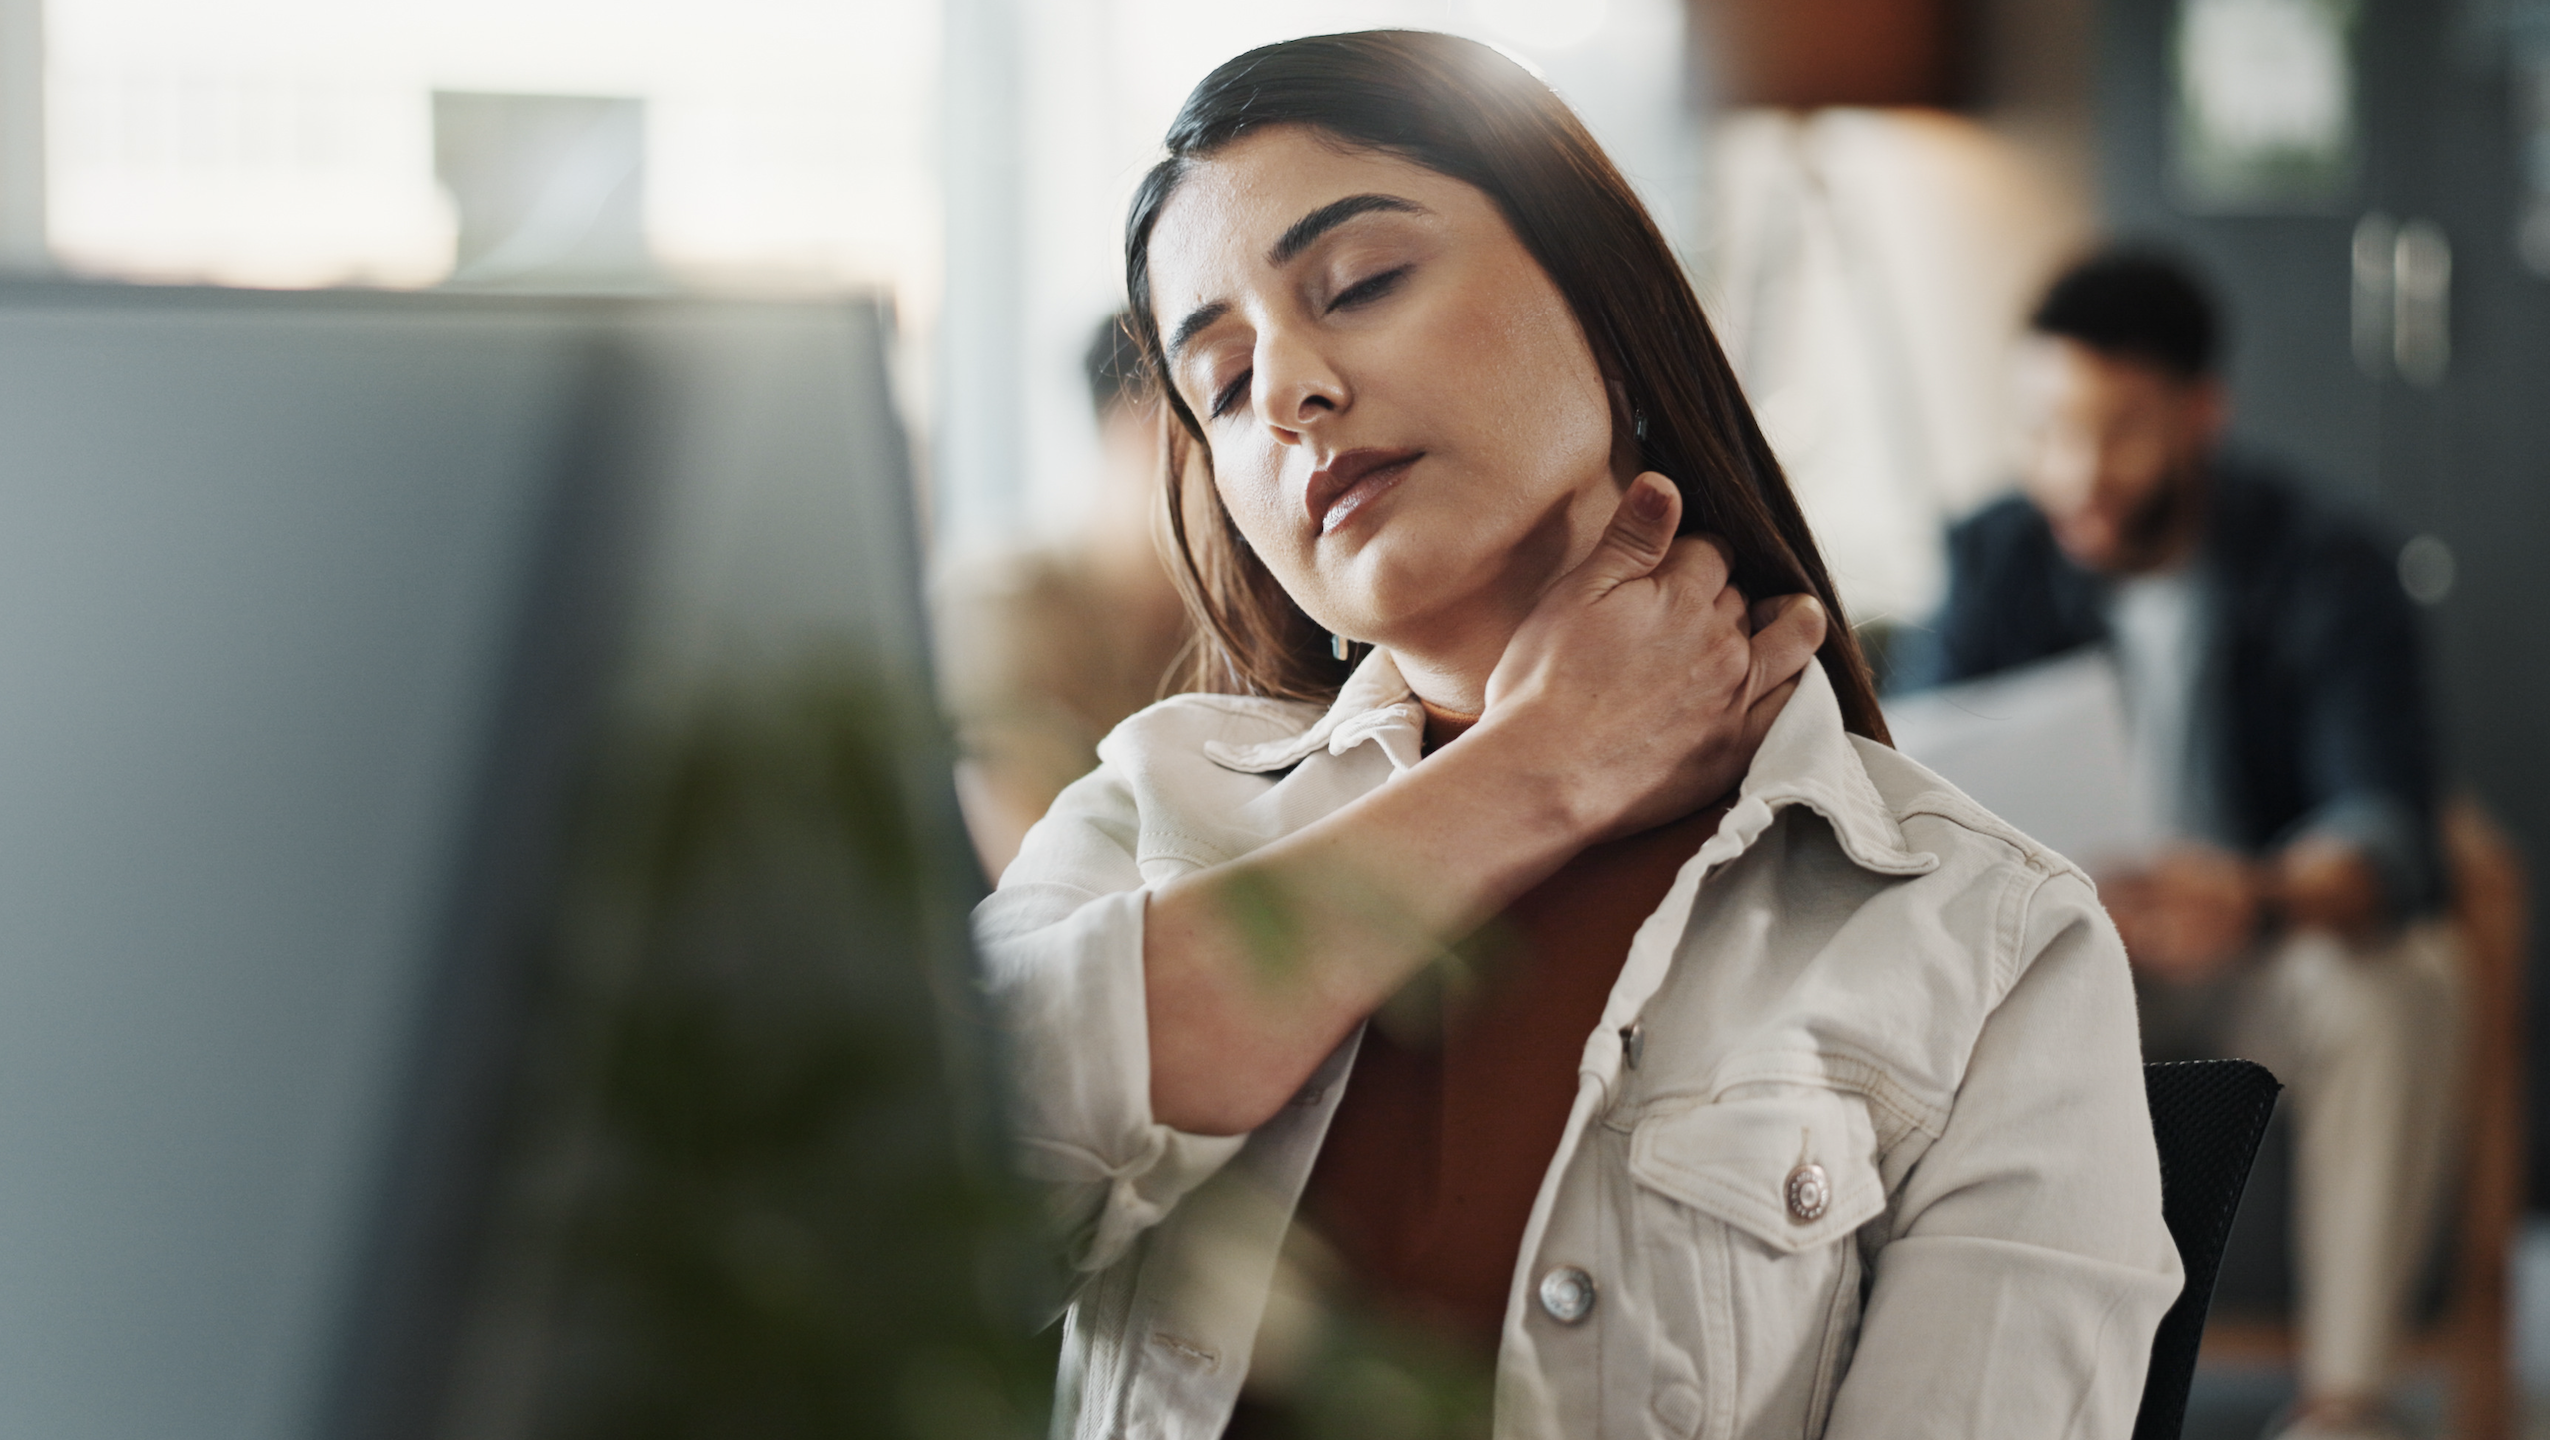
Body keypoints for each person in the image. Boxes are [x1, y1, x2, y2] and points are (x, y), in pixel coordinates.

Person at [976, 31, 2180, 1440]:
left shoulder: (1987, 943)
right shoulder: (1146, 809)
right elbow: (875, 1206)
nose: (1290, 387)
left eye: (1358, 283)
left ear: (1604, 305)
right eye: (1224, 384)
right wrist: (1529, 775)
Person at [1901, 251, 2456, 1440]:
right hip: (2058, 960)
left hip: (2253, 953)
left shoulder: (2324, 562)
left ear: (2205, 414)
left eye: (2122, 434)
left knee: (2406, 983)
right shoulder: (1991, 559)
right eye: (2047, 432)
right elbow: (1915, 784)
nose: (2077, 475)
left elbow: (2390, 833)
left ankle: (2344, 1407)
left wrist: (2253, 898)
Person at [939, 317, 1198, 880]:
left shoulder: (1247, 619)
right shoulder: (998, 603)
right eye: (1221, 406)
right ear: (1137, 430)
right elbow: (1041, 878)